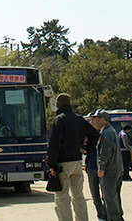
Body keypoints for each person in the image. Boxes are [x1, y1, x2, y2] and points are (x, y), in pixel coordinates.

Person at [46, 93, 97, 221]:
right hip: (77, 161)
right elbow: (95, 134)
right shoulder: (79, 119)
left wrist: (52, 164)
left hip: (63, 164)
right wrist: (87, 149)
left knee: (62, 197)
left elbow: (54, 144)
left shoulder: (59, 120)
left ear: (58, 105)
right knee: (79, 196)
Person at [90, 110, 123, 221]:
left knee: (109, 196)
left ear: (103, 120)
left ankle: (115, 218)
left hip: (110, 170)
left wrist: (101, 167)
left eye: (95, 119)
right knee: (114, 195)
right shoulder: (109, 131)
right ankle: (117, 216)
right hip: (116, 168)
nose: (92, 121)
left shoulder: (107, 132)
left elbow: (106, 152)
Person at [82, 115, 106, 221]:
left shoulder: (103, 135)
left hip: (100, 167)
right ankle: (100, 215)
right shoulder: (90, 136)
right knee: (95, 194)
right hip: (91, 167)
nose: (92, 123)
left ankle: (104, 215)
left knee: (104, 194)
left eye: (93, 121)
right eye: (91, 122)